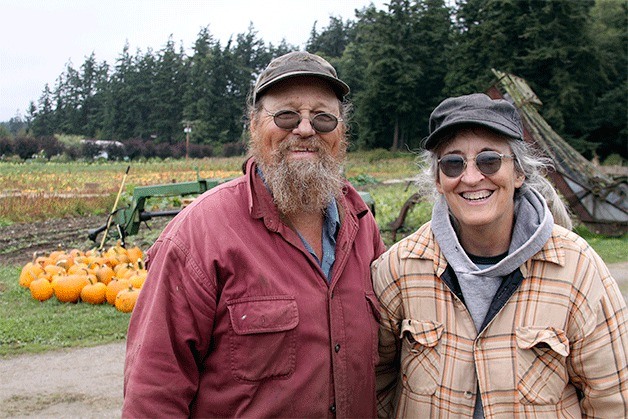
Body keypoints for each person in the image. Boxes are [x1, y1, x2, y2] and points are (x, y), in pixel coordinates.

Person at [122, 51, 386, 418]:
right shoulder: (198, 235)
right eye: (286, 115)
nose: (306, 129)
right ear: (253, 125)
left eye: (323, 117)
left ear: (341, 132)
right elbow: (153, 394)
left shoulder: (362, 226)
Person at [372, 93, 627, 418]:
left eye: (489, 160)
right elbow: (376, 382)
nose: (472, 177)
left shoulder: (578, 268)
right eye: (453, 163)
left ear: (518, 172)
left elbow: (613, 400)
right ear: (438, 179)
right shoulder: (399, 268)